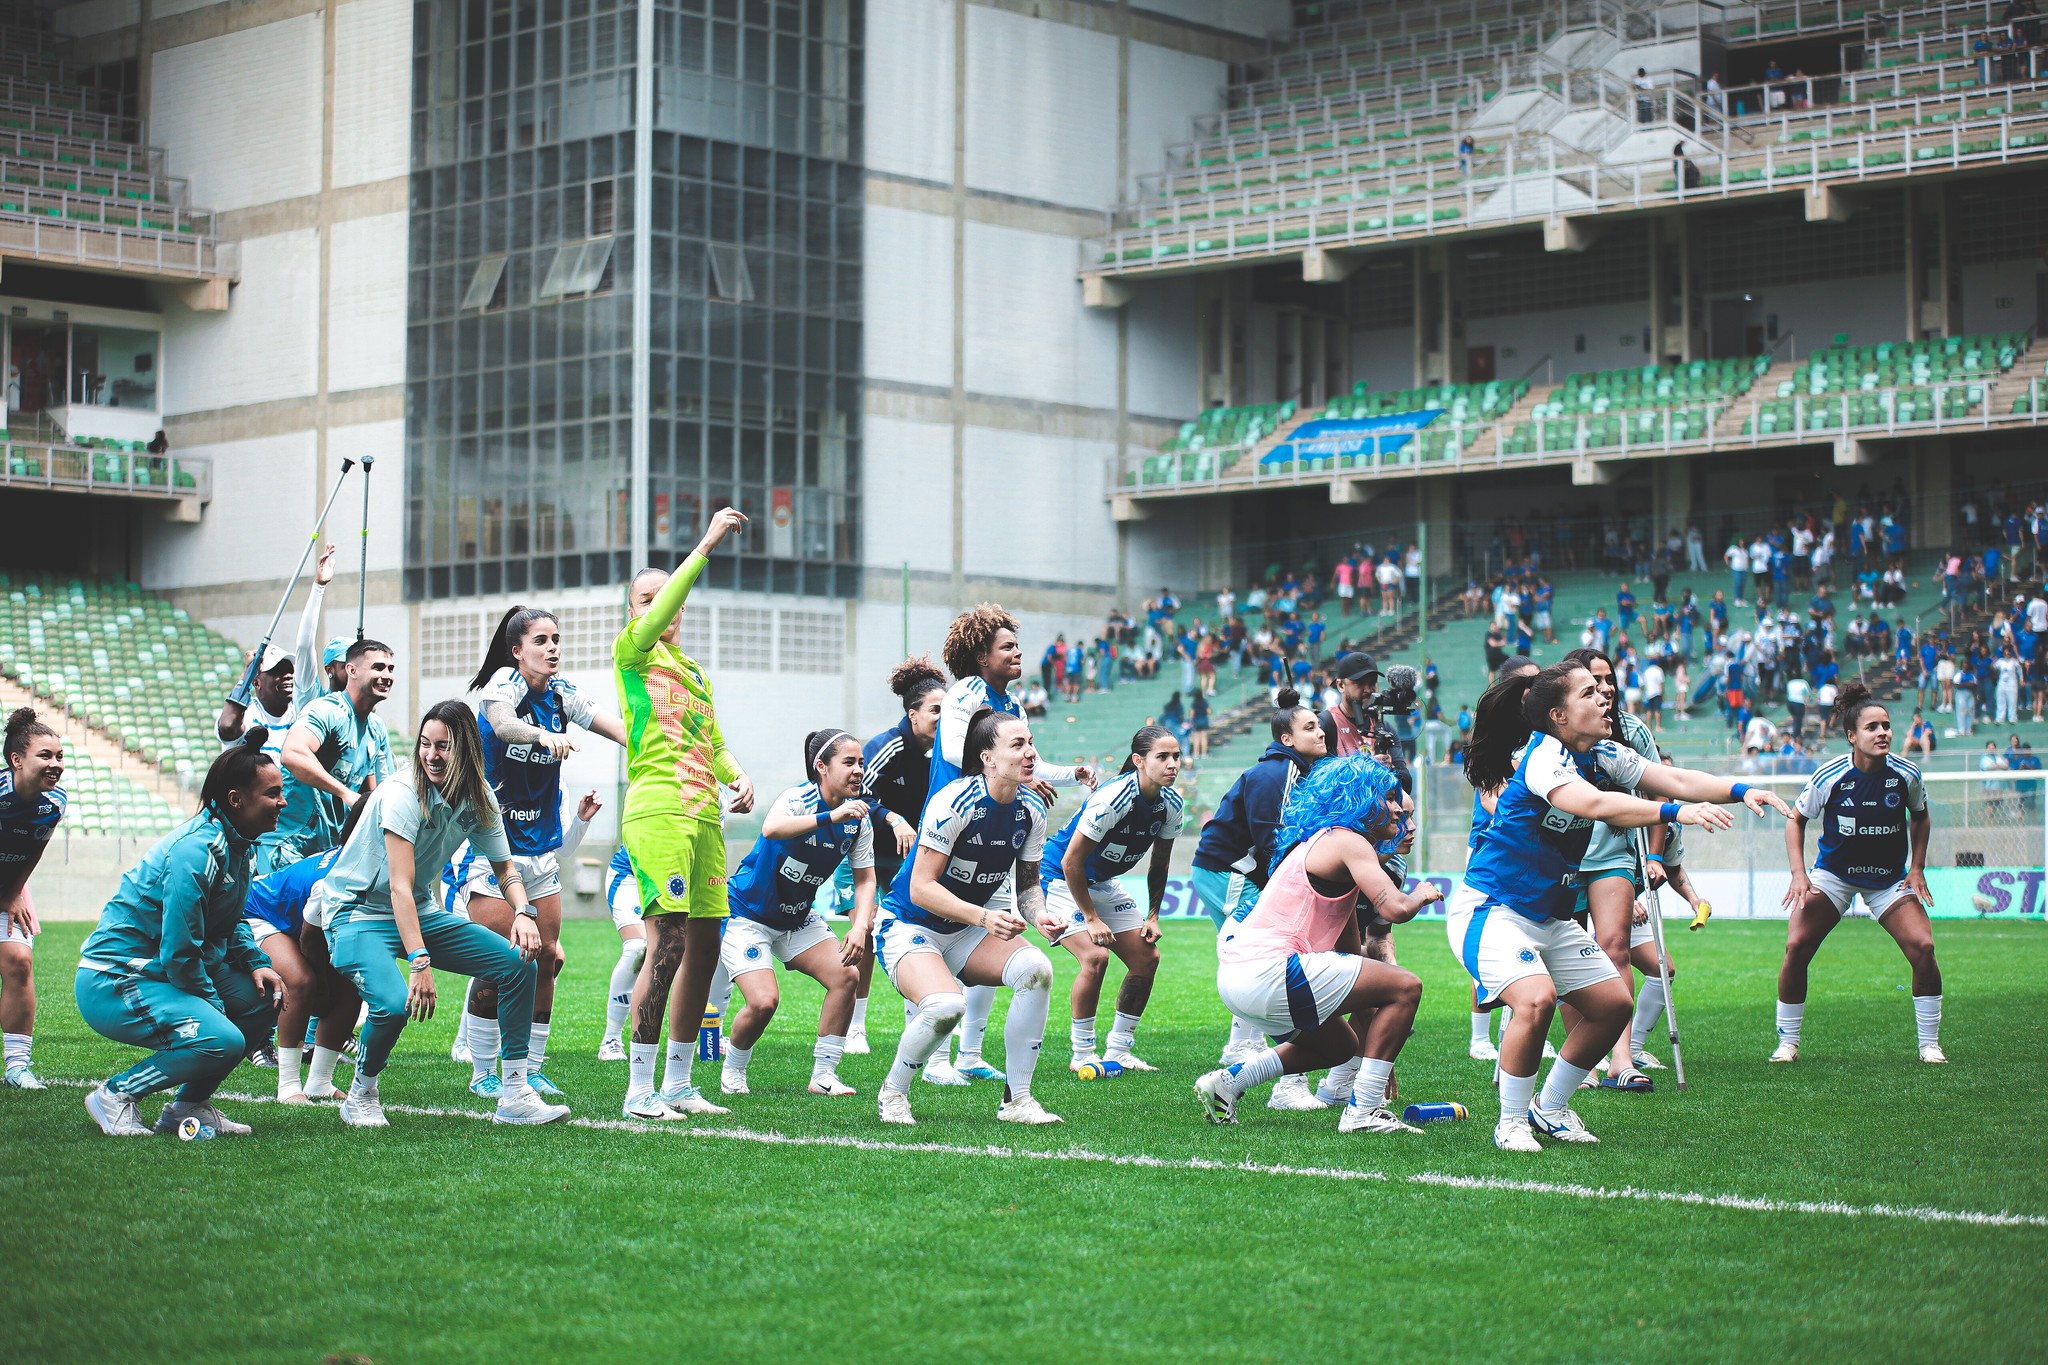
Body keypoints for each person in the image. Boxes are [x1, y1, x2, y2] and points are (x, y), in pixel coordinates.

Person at [1454, 661, 1789, 1152]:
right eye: (1589, 693)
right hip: (1493, 910)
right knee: (1537, 1000)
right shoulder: (1545, 757)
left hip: (1546, 916)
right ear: (1559, 715)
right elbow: (1595, 806)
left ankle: (1550, 1110)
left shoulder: (1606, 753)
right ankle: (1511, 1122)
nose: (1603, 698)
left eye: (1602, 690)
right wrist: (1676, 813)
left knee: (1613, 1005)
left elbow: (1671, 778)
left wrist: (1741, 790)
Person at [309, 700, 564, 1127]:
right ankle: (361, 1094)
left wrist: (523, 910)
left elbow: (504, 868)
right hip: (356, 913)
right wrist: (420, 961)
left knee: (520, 965)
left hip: (419, 910)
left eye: (443, 746)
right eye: (425, 744)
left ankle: (515, 1092)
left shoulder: (480, 795)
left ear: (465, 749)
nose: (431, 754)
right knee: (393, 1006)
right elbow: (399, 886)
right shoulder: (403, 793)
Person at [1192, 754, 1435, 1134]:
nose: (1395, 808)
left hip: (1242, 980)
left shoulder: (1324, 841)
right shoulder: (1349, 840)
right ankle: (1362, 1113)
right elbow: (1396, 908)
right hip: (1271, 972)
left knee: (1338, 1045)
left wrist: (1380, 1046)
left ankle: (1227, 1083)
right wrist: (1421, 894)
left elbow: (1350, 952)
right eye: (1387, 797)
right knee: (1407, 986)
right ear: (1360, 797)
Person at [451, 605, 628, 1101]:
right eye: (541, 640)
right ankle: (483, 1068)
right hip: (492, 848)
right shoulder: (502, 686)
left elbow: (615, 727)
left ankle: (530, 1066)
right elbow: (504, 726)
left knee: (547, 958)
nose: (553, 647)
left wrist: (656, 747)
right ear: (516, 650)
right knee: (500, 962)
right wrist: (543, 735)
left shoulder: (562, 693)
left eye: (557, 639)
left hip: (539, 851)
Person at [613, 508, 756, 1121]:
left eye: (664, 599)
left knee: (705, 945)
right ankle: (638, 1087)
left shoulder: (694, 672)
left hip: (704, 820)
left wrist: (738, 774)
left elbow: (714, 742)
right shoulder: (632, 653)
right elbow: (664, 603)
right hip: (659, 813)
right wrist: (705, 544)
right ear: (635, 611)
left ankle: (677, 1082)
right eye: (647, 599)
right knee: (665, 942)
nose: (660, 608)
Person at [76, 733, 289, 1137]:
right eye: (273, 793)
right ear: (236, 800)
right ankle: (115, 1095)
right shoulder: (197, 850)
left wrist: (258, 963)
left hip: (164, 970)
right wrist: (214, 1008)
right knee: (221, 1037)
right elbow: (179, 951)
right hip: (116, 977)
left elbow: (232, 921)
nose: (282, 802)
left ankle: (187, 1107)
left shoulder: (240, 844)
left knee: (265, 1000)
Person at [925, 604, 1093, 1085]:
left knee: (994, 932)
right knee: (936, 932)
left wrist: (1069, 773)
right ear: (981, 655)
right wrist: (1020, 784)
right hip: (954, 824)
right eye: (1007, 646)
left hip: (995, 826)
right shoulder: (965, 694)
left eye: (1017, 645)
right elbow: (965, 755)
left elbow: (1023, 760)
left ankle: (968, 1054)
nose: (1018, 652)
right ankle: (935, 1062)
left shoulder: (1012, 706)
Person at [873, 709, 1063, 1127]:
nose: (1030, 752)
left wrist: (1041, 916)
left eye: (1030, 742)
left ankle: (1017, 1101)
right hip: (908, 925)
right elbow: (921, 887)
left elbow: (1028, 885)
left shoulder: (1031, 808)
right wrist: (983, 917)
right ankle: (894, 1093)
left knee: (1036, 970)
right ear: (987, 758)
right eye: (1018, 745)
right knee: (945, 1006)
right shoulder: (954, 801)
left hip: (965, 930)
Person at [1773, 682, 1945, 1064]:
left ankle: (1929, 1044)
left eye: (1886, 726)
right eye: (1872, 727)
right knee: (1796, 947)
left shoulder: (1907, 774)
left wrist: (1916, 868)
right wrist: (1799, 874)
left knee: (1924, 947)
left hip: (1887, 880)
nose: (1882, 732)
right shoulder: (1829, 775)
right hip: (1833, 875)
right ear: (1852, 736)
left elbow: (1920, 816)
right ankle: (1788, 1043)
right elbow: (1795, 820)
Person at [717, 730, 875, 1098]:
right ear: (821, 767)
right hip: (747, 914)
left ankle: (824, 1075)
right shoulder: (799, 798)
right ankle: (734, 1070)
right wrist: (829, 816)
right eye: (848, 762)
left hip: (797, 918)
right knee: (763, 1002)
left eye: (861, 764)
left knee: (846, 976)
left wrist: (860, 927)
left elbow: (866, 881)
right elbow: (772, 828)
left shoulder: (858, 819)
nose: (858, 771)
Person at [1045, 725, 1185, 1076]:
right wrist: (1091, 919)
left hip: (1102, 883)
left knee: (1147, 958)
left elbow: (1161, 863)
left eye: (1177, 757)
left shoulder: (1172, 803)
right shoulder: (1115, 797)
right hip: (1059, 879)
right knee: (1095, 957)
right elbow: (1070, 861)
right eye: (1163, 757)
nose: (1173, 764)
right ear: (1139, 760)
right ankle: (1082, 1052)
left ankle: (1120, 1050)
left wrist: (1153, 916)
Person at [850, 657, 946, 1055]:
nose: (943, 718)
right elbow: (855, 793)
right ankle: (854, 1027)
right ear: (913, 713)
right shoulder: (887, 746)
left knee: (922, 930)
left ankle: (920, 1022)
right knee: (865, 933)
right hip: (867, 853)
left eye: (948, 709)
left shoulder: (948, 751)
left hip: (914, 860)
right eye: (935, 710)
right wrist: (891, 817)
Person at [240, 841, 361, 1104]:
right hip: (261, 912)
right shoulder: (337, 875)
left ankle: (320, 1082)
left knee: (352, 985)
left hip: (298, 921)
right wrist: (321, 984)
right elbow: (309, 937)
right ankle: (288, 1086)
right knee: (300, 981)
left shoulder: (372, 861)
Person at [271, 637, 396, 874]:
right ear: (351, 670)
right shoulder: (328, 710)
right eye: (378, 667)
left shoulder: (376, 728)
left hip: (328, 851)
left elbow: (375, 793)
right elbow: (292, 754)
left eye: (391, 669)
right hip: (289, 846)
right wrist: (345, 793)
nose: (387, 675)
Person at [216, 544, 335, 758]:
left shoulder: (300, 713)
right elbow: (227, 726)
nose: (288, 675)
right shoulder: (250, 714)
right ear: (257, 682)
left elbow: (306, 646)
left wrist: (319, 586)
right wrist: (248, 671)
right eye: (277, 671)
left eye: (290, 669)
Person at [1, 708, 64, 1090]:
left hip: (9, 886)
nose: (55, 764)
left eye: (59, 756)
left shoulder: (55, 802)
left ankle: (17, 1067)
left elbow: (33, 851)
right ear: (16, 760)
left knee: (20, 962)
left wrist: (13, 892)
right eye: (46, 755)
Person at [1319, 652, 1410, 789]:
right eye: (1359, 683)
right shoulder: (1326, 724)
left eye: (1372, 682)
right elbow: (1319, 783)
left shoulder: (1385, 729)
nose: (1368, 689)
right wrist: (1372, 768)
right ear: (1340, 685)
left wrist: (1390, 769)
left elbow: (1406, 784)